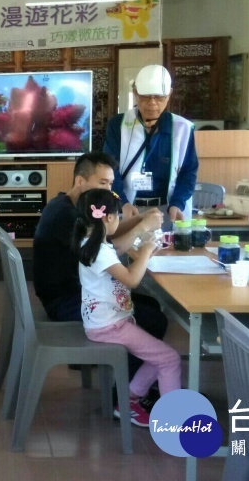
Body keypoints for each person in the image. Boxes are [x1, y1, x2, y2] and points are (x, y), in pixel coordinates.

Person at [32, 152, 168, 380]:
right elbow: (107, 250)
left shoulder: (74, 207)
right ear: (80, 181)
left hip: (77, 292)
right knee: (152, 318)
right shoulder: (64, 214)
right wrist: (143, 228)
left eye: (111, 184)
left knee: (150, 305)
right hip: (64, 302)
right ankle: (126, 391)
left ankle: (134, 379)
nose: (107, 190)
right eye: (102, 183)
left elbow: (106, 233)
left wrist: (140, 218)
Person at [74, 188, 181, 427]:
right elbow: (132, 279)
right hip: (110, 326)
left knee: (159, 357)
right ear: (109, 218)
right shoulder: (99, 250)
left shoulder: (91, 243)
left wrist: (144, 240)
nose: (119, 221)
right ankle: (173, 422)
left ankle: (129, 398)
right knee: (169, 359)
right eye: (118, 217)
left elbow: (117, 249)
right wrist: (144, 252)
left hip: (106, 322)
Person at [103, 65, 199, 223]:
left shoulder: (183, 128)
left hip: (169, 210)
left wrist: (178, 203)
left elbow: (189, 172)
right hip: (129, 208)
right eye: (145, 96)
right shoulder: (118, 125)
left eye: (159, 97)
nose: (152, 103)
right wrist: (122, 202)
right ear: (135, 93)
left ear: (169, 94)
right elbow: (110, 169)